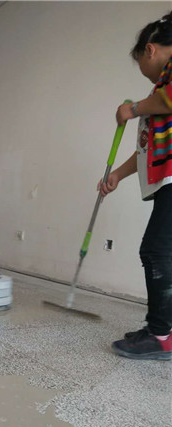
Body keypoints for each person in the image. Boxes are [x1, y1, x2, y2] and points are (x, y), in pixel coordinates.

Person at [99, 13, 172, 360]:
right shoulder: (160, 92)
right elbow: (146, 148)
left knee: (156, 251)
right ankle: (162, 329)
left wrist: (133, 108)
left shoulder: (165, 87)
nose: (145, 72)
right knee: (160, 251)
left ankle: (161, 336)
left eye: (141, 63)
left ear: (150, 50)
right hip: (167, 182)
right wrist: (118, 174)